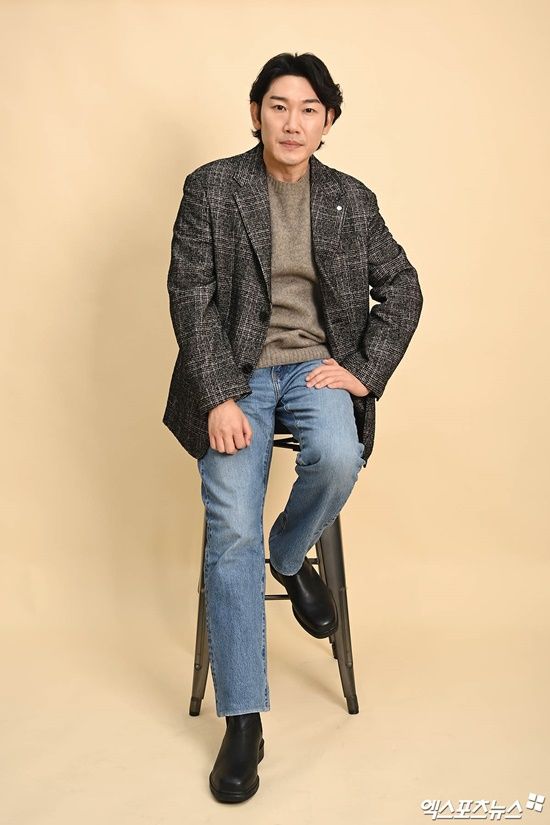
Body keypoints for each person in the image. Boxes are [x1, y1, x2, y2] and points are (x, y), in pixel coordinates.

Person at [163, 52, 423, 803]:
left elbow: (403, 287)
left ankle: (289, 552)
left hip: (314, 368)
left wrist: (363, 369)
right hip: (235, 374)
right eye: (278, 106)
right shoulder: (213, 187)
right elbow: (190, 294)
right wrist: (217, 395)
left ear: (328, 121)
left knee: (339, 455)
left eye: (309, 109)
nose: (292, 122)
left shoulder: (350, 199)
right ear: (256, 114)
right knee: (230, 532)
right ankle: (243, 719)